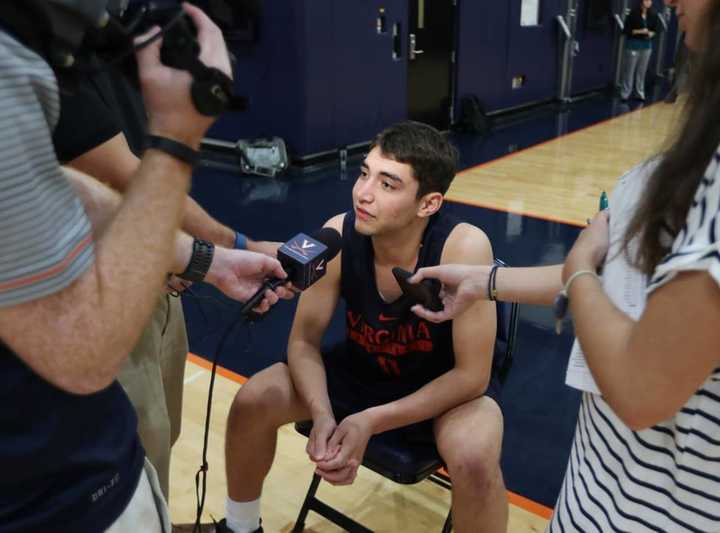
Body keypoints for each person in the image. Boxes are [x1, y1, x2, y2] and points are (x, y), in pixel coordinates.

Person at [411, 0, 720, 530]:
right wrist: (484, 283)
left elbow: (641, 389)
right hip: (604, 494)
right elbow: (619, 280)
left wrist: (579, 265)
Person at [0, 2, 287, 531]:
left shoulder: (34, 50)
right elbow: (80, 355)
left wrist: (209, 258)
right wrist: (177, 139)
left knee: (159, 432)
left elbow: (64, 185)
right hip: (44, 502)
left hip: (98, 470)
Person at [200, 121, 505, 533]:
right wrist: (323, 414)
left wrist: (371, 421)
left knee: (474, 452)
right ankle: (240, 528)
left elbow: (472, 376)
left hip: (441, 392)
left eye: (388, 184)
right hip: (362, 374)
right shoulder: (341, 232)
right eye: (365, 174)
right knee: (254, 398)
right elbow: (304, 341)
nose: (363, 193)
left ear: (428, 203)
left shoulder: (464, 247)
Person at [52, 44, 282, 501]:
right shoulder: (34, 62)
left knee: (163, 430)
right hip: (90, 296)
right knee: (132, 449)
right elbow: (122, 179)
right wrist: (230, 246)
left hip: (151, 272)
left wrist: (188, 257)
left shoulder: (107, 41)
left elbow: (106, 195)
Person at [620, 0, 660, 101]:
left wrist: (652, 33)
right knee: (629, 70)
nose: (649, 2)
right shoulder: (633, 14)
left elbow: (656, 29)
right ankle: (625, 93)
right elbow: (626, 30)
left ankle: (640, 92)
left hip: (646, 46)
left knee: (641, 71)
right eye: (647, 0)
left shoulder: (653, 14)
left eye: (650, 0)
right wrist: (639, 31)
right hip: (633, 45)